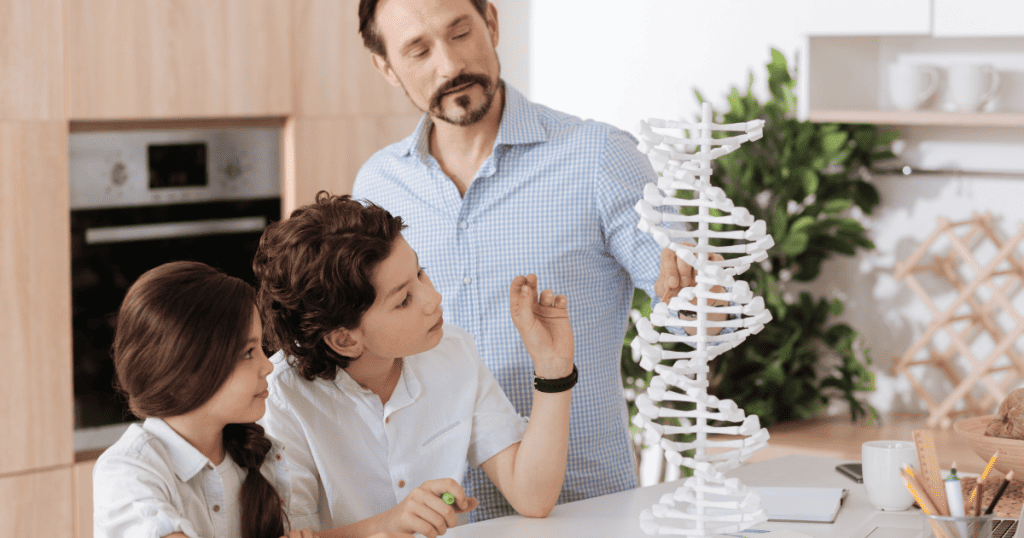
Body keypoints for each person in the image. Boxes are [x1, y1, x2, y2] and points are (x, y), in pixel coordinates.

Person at [351, 0, 726, 521]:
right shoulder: (377, 186)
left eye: (460, 32)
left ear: (493, 22)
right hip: (435, 517)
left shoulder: (598, 156)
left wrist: (700, 300)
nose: (449, 65)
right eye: (418, 50)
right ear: (387, 66)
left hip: (584, 508)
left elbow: (696, 312)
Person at [253, 193, 576, 538]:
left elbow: (533, 497)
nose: (433, 298)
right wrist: (387, 525)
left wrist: (552, 366)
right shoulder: (281, 397)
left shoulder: (453, 353)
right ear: (345, 339)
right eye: (404, 299)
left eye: (420, 273)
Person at [92, 261, 327, 538]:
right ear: (184, 371)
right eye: (248, 353)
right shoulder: (128, 471)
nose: (268, 367)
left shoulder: (257, 458)